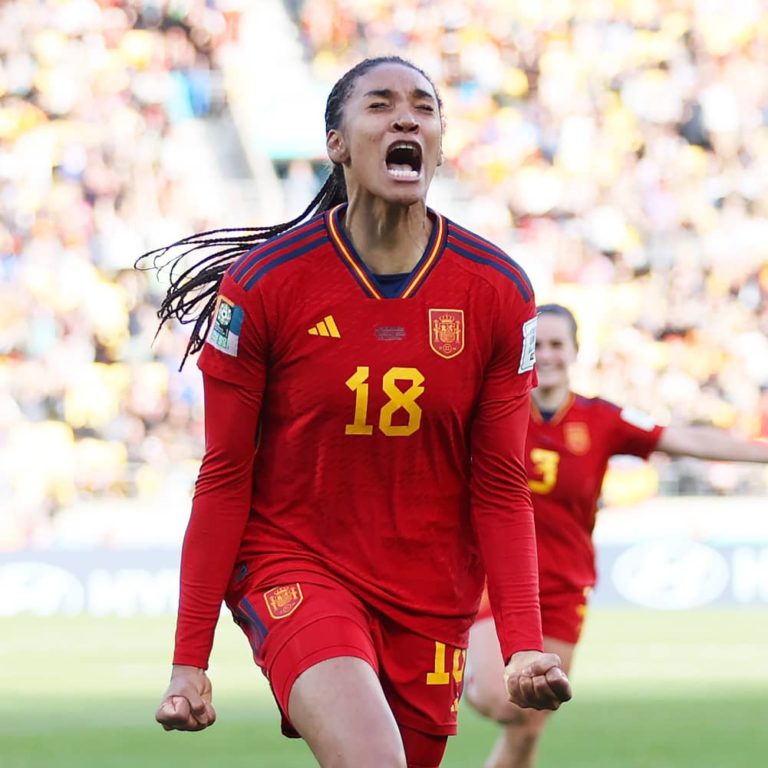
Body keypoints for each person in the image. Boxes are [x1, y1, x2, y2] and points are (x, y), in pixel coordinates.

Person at [139, 56, 571, 768]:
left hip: (431, 587)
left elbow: (499, 484)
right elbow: (222, 475)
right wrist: (190, 659)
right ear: (336, 142)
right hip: (295, 565)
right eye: (380, 104)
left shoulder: (496, 289)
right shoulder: (264, 285)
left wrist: (524, 642)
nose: (407, 117)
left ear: (437, 140)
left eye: (424, 107)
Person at [464, 303, 768, 768]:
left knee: (530, 722)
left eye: (557, 344)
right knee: (499, 696)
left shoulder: (602, 418)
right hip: (494, 579)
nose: (546, 354)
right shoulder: (495, 411)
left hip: (565, 587)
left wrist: (759, 454)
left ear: (575, 352)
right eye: (537, 344)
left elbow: (689, 441)